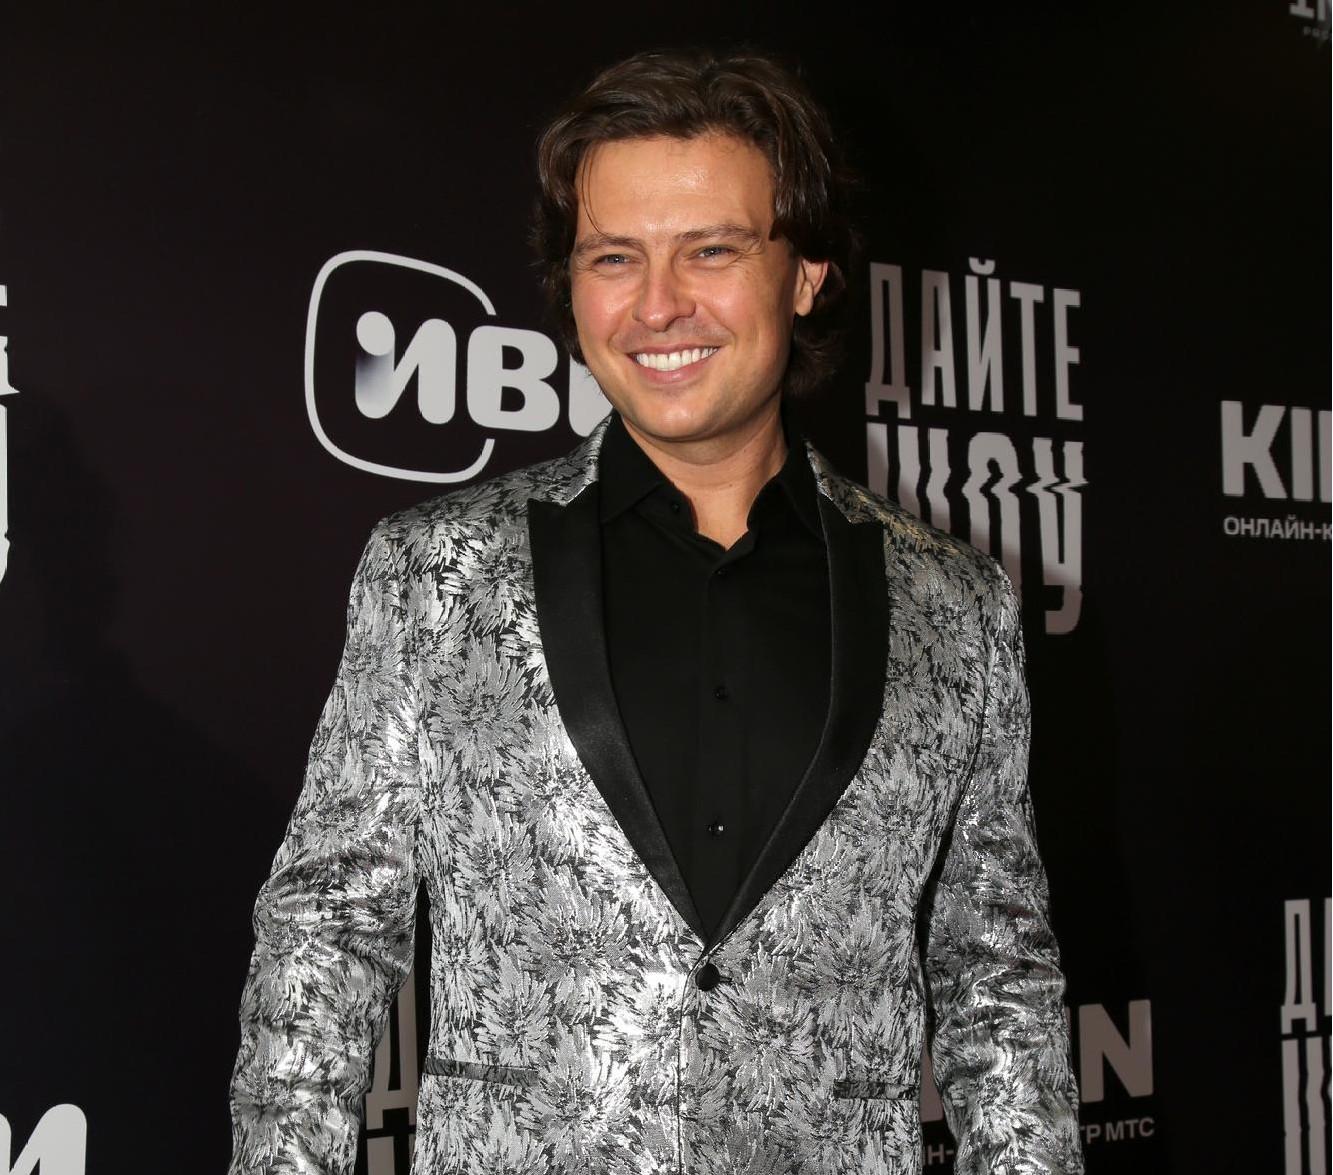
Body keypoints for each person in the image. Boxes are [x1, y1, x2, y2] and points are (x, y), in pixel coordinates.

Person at [229, 48, 1082, 1175]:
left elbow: (996, 979)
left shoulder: (953, 605)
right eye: (613, 257)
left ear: (806, 272)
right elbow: (327, 930)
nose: (657, 303)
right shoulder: (436, 570)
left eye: (711, 250)